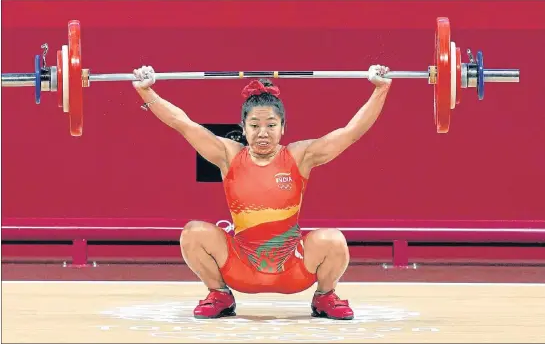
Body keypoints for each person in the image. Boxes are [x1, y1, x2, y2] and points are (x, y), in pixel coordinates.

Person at [132, 64, 392, 320]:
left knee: (334, 240)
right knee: (192, 233)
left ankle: (325, 296)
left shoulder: (300, 156)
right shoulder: (228, 155)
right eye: (254, 125)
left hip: (294, 269)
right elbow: (182, 123)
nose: (263, 133)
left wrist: (380, 89)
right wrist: (147, 92)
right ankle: (219, 295)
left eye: (271, 125)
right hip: (241, 268)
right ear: (243, 128)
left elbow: (350, 133)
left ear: (283, 127)